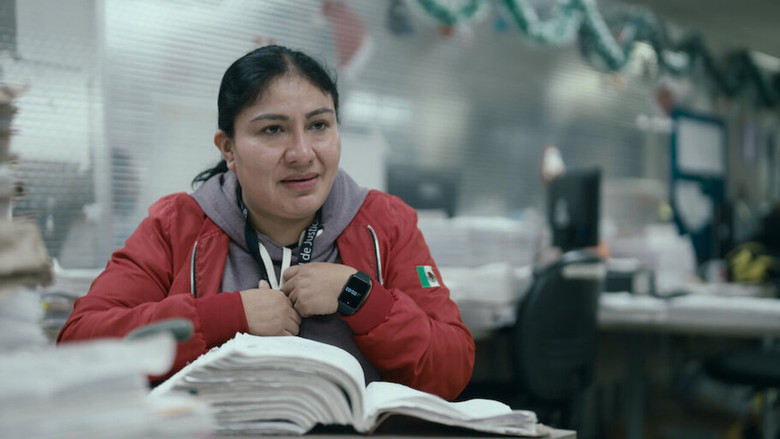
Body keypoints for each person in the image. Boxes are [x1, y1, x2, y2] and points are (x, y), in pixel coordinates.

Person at [57, 45, 475, 401]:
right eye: (273, 129)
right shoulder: (177, 226)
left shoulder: (386, 223)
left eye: (318, 125)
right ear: (229, 149)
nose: (301, 152)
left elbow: (452, 369)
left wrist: (360, 296)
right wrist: (227, 316)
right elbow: (79, 346)